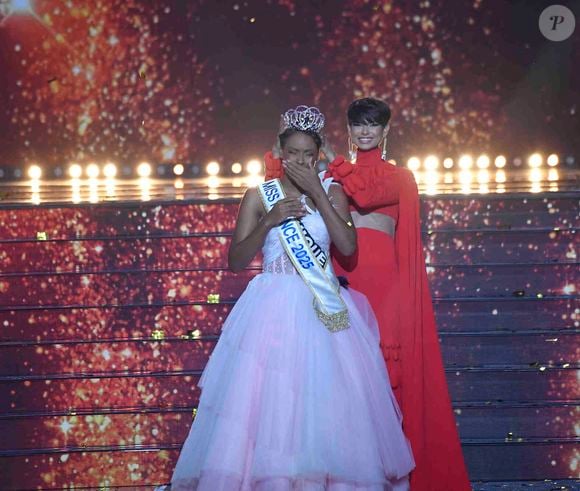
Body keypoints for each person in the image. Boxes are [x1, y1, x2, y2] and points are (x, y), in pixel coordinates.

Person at [170, 105, 414, 490]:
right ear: (280, 153)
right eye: (293, 153)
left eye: (308, 154)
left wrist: (319, 190)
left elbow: (348, 245)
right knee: (272, 400)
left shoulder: (331, 191)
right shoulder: (258, 195)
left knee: (323, 402)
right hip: (270, 309)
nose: (300, 160)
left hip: (321, 308)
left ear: (318, 154)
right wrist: (271, 218)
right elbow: (236, 260)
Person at [264, 98, 471, 491]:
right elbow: (287, 180)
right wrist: (291, 161)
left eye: (373, 126)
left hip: (386, 289)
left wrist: (331, 173)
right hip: (344, 280)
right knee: (342, 383)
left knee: (387, 382)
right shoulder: (335, 177)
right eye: (358, 125)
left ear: (386, 130)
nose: (365, 132)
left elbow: (367, 195)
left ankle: (396, 479)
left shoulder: (397, 177)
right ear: (348, 129)